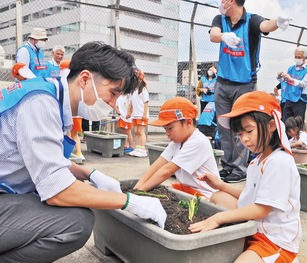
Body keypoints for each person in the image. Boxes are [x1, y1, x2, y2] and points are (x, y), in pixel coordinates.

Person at [0, 41, 166, 262]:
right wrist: (127, 201)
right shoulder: (40, 103)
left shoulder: (48, 94)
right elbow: (57, 190)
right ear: (85, 79)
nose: (114, 104)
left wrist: (89, 174)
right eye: (113, 93)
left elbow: (44, 158)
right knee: (76, 222)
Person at [189, 91, 301, 263]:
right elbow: (252, 198)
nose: (245, 140)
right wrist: (220, 185)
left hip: (274, 240)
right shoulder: (257, 162)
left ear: (272, 125)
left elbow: (261, 209)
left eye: (249, 131)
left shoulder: (279, 162)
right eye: (240, 134)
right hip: (253, 228)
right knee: (217, 196)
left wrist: (218, 218)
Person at [210, 0, 292, 183]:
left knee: (241, 126)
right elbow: (214, 35)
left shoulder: (252, 20)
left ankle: (239, 169)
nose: (220, 3)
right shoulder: (220, 19)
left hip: (244, 83)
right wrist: (224, 36)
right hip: (223, 82)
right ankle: (228, 165)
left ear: (231, 1)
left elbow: (265, 25)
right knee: (224, 127)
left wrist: (276, 22)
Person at [134, 97, 222, 200]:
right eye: (165, 129)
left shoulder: (198, 141)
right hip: (187, 190)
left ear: (188, 123)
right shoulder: (175, 143)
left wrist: (141, 192)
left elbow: (167, 170)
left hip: (206, 196)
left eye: (170, 128)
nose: (167, 133)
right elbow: (157, 165)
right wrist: (137, 188)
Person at [277, 46, 307, 123]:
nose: (297, 59)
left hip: (300, 99)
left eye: (299, 57)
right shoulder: (291, 68)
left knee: (297, 123)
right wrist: (280, 77)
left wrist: (291, 79)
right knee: (286, 122)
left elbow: (304, 84)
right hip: (289, 98)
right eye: (296, 57)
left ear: (305, 57)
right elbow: (285, 81)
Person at [127, 69, 149, 158]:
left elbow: (146, 102)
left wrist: (144, 114)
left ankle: (142, 150)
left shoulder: (143, 89)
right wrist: (129, 111)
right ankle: (138, 148)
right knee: (136, 132)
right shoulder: (133, 90)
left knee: (141, 131)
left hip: (141, 114)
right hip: (135, 114)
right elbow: (132, 102)